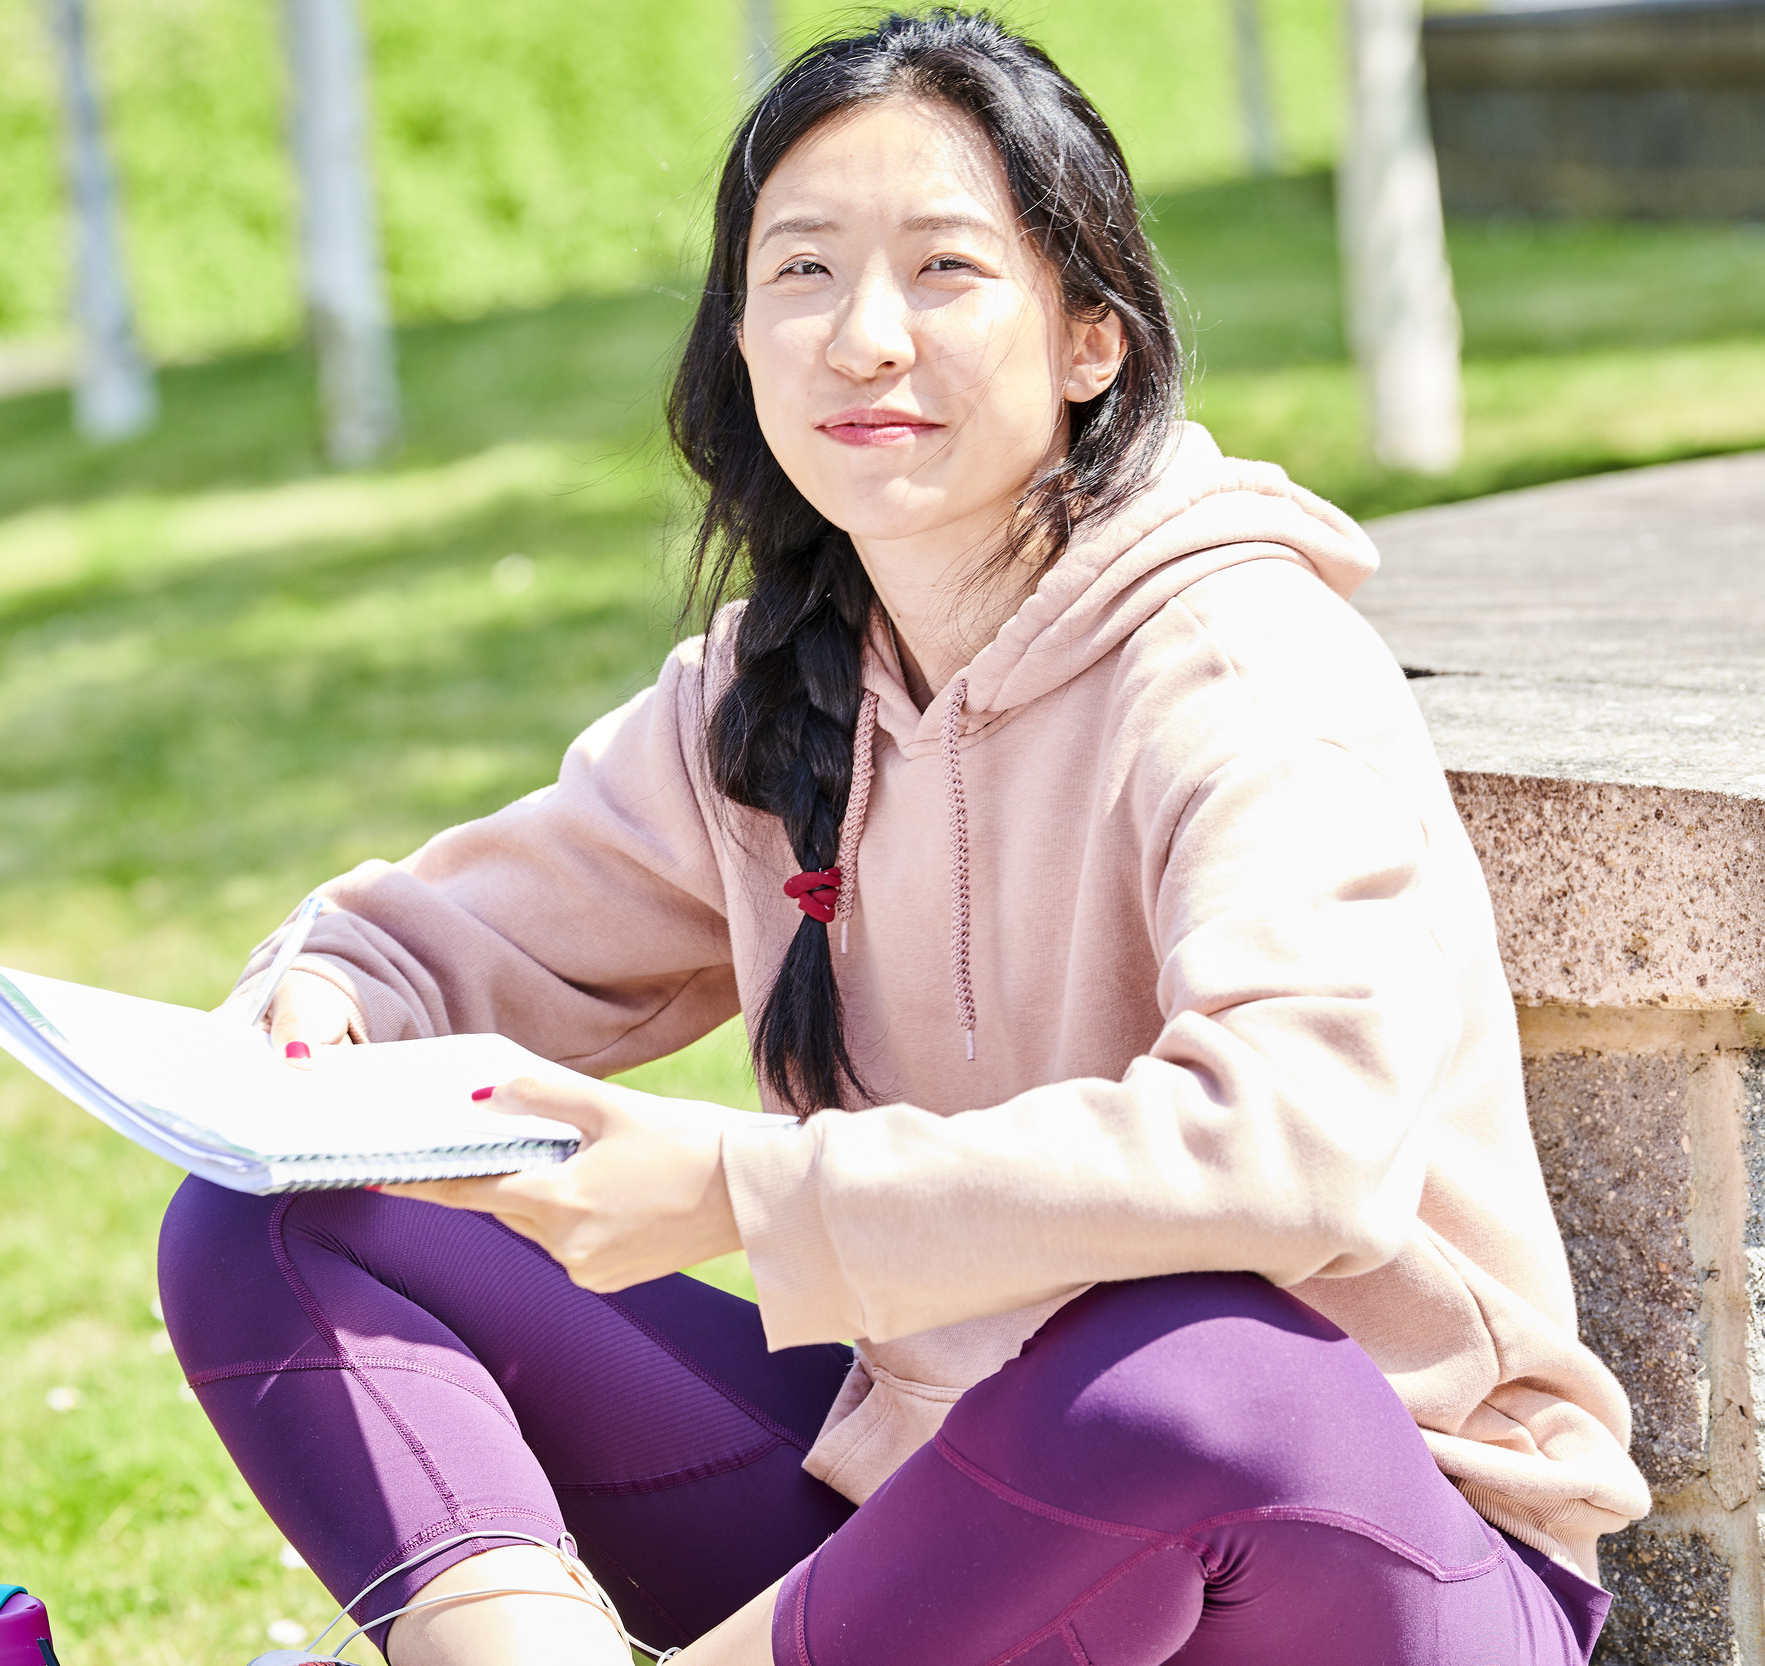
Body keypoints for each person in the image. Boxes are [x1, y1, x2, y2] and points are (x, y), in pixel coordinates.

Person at [158, 11, 1649, 1665]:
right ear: (736, 337)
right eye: (797, 274)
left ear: (1090, 335)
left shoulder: (1236, 663)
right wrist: (327, 1000)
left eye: (942, 269)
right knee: (276, 1210)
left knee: (1188, 1372)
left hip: (1340, 1547)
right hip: (926, 1509)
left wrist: (738, 1187)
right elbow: (443, 942)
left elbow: (1286, 1147)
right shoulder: (769, 692)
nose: (861, 337)